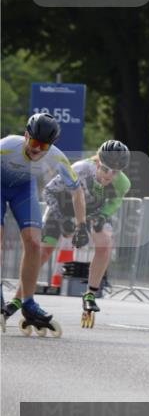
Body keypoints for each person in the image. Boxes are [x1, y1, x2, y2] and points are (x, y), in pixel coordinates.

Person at [10, 140, 131, 324]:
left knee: (106, 242)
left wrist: (104, 215)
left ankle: (90, 294)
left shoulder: (123, 183)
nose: (109, 176)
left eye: (115, 172)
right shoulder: (80, 169)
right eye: (106, 169)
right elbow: (49, 191)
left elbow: (115, 202)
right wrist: (62, 219)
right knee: (43, 251)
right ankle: (18, 299)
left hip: (91, 210)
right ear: (98, 162)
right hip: (62, 207)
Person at [0, 113, 86, 333]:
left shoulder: (56, 158)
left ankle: (28, 303)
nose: (37, 149)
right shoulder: (8, 145)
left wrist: (81, 224)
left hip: (23, 190)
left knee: (34, 243)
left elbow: (77, 192)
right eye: (34, 142)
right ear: (26, 135)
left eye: (44, 145)